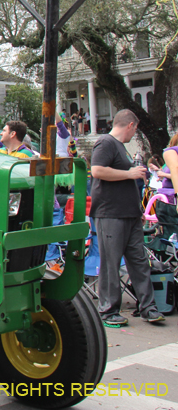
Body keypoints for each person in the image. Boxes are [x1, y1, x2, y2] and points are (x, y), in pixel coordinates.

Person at [91, 109, 164, 327]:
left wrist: (138, 211)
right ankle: (108, 311)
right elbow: (96, 170)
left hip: (130, 214)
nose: (135, 134)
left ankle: (148, 307)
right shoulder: (105, 143)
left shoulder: (120, 148)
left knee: (139, 262)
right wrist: (129, 173)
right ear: (130, 125)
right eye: (135, 129)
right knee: (111, 264)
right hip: (110, 213)